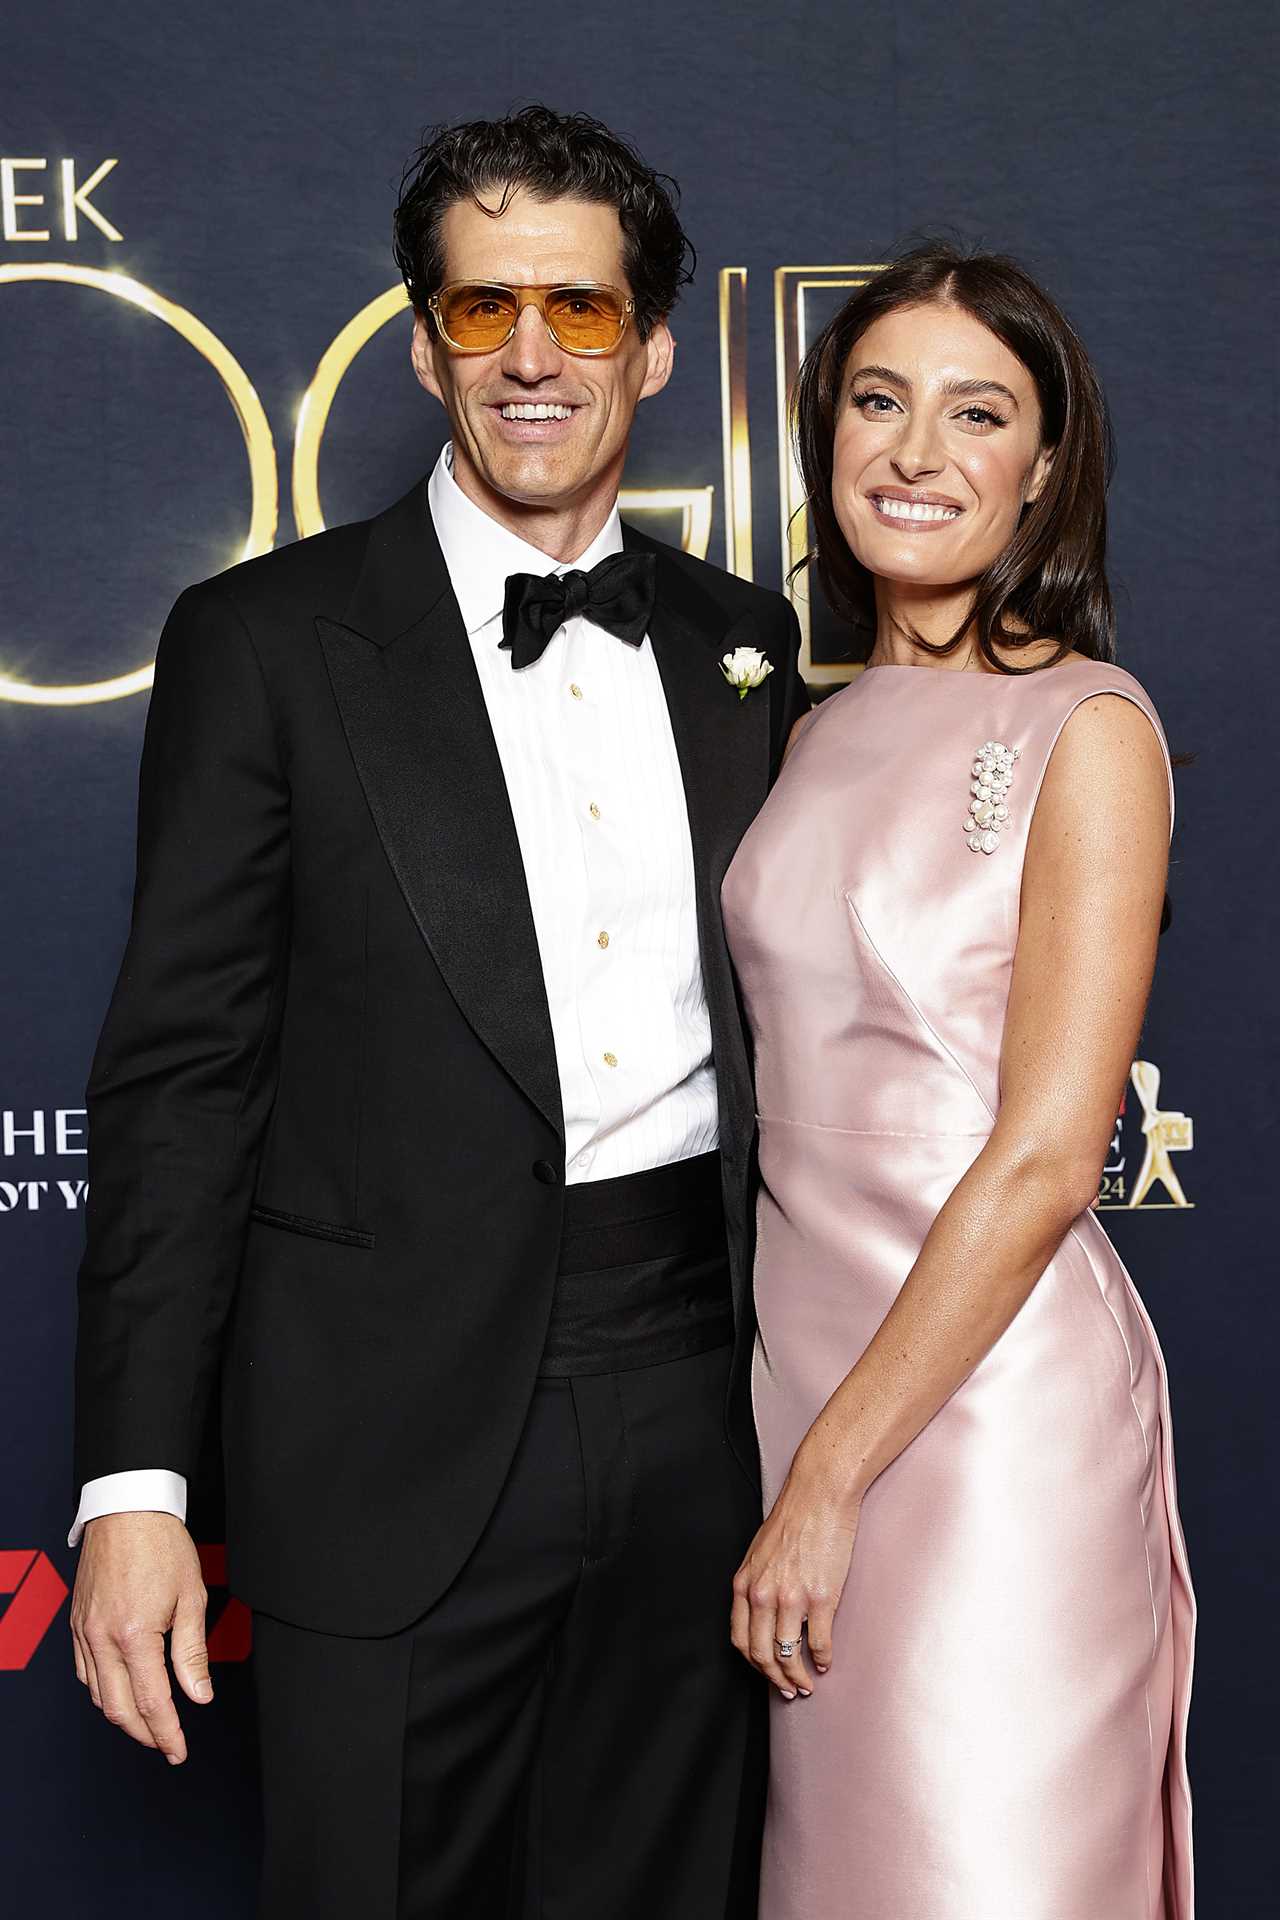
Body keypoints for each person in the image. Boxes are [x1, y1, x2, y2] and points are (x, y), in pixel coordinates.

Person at [67, 105, 807, 1919]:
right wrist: (133, 1488)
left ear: (651, 345)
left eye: (577, 308)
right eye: (485, 314)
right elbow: (182, 1083)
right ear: (424, 346)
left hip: (708, 1413)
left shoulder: (743, 644)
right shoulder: (261, 640)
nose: (533, 357)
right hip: (384, 1436)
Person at [722, 244, 1195, 1918]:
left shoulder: (1090, 728)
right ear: (825, 430)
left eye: (976, 413)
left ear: (1041, 469)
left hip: (983, 1423)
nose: (917, 453)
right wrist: (807, 1462)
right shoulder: (799, 735)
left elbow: (1055, 1154)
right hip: (806, 1388)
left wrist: (831, 1481)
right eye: (878, 401)